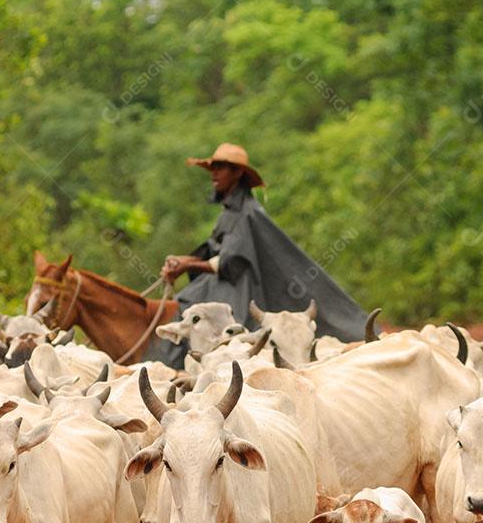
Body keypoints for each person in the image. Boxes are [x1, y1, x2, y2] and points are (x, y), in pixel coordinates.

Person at [144, 142, 367, 366]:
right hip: (224, 280)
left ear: (238, 173)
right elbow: (214, 252)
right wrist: (183, 262)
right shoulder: (230, 212)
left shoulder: (248, 212)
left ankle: (175, 367)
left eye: (220, 167)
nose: (214, 173)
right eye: (213, 167)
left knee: (187, 301)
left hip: (238, 285)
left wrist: (187, 267)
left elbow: (231, 262)